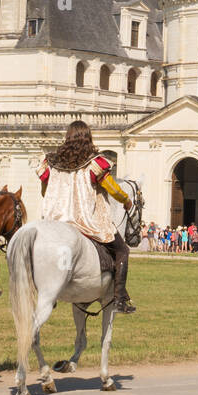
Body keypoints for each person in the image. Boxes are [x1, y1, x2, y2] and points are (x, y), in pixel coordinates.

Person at [35, 121, 136, 313]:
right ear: (87, 137)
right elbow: (113, 189)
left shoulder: (51, 162)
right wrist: (126, 200)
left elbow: (44, 191)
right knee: (122, 250)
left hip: (54, 222)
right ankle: (120, 299)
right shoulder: (94, 163)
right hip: (85, 221)